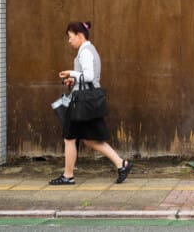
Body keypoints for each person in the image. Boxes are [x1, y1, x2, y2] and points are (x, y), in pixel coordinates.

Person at [49, 20, 132, 185]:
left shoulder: (85, 51)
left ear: (80, 36)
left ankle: (68, 175)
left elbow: (88, 76)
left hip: (82, 101)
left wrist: (71, 72)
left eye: (71, 37)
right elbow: (86, 78)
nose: (69, 40)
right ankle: (121, 164)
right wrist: (72, 80)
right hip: (83, 99)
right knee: (88, 139)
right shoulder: (86, 50)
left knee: (70, 137)